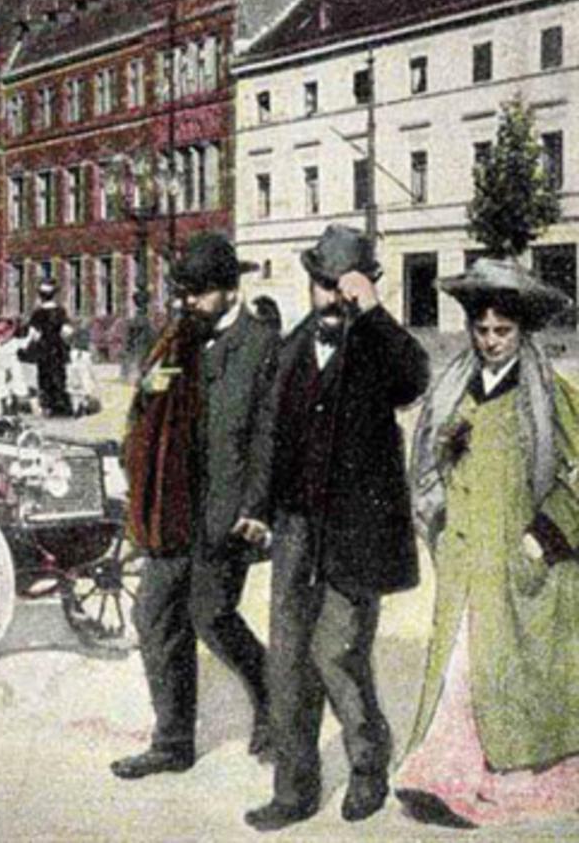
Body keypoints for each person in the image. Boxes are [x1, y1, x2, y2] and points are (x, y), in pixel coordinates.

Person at [244, 225, 430, 831]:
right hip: (297, 527)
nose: (330, 299)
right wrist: (257, 506)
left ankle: (368, 764)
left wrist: (372, 314)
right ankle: (294, 791)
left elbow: (413, 379)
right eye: (322, 285)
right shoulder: (292, 347)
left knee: (338, 652)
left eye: (342, 288)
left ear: (363, 287)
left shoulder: (378, 346)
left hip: (356, 529)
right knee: (290, 658)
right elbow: (270, 434)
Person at [394, 259, 579, 830]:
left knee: (510, 677)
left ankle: (507, 783)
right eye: (482, 330)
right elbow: (429, 463)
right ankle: (441, 777)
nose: (491, 341)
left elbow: (576, 474)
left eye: (503, 331)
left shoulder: (549, 396)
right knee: (458, 668)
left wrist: (546, 534)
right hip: (466, 560)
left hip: (523, 564)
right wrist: (441, 514)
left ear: (522, 333)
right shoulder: (455, 390)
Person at [112, 232, 278, 783]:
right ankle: (173, 742)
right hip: (172, 509)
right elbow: (145, 409)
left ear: (231, 291)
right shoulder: (176, 339)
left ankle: (274, 702)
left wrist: (256, 508)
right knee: (154, 616)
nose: (187, 303)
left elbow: (266, 439)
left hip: (225, 514)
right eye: (182, 293)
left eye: (199, 294)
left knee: (211, 615)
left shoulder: (260, 346)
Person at [21, 277, 73, 417]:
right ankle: (62, 406)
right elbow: (67, 331)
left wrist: (24, 347)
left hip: (44, 349)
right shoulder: (60, 311)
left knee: (44, 376)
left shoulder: (38, 313)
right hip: (58, 348)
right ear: (54, 294)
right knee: (60, 375)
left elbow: (33, 334)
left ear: (41, 296)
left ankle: (48, 406)